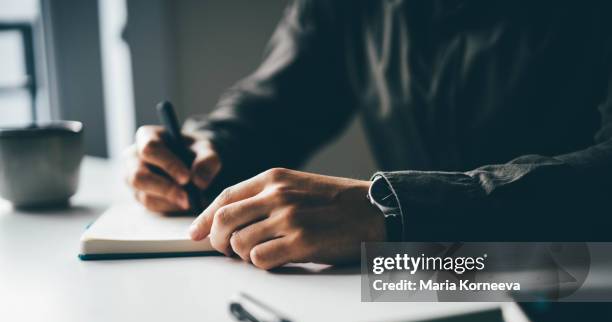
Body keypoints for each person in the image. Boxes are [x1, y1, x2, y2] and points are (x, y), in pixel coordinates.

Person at [125, 0, 612, 270]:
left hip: (580, 278)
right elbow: (277, 104)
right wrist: (206, 147)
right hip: (408, 281)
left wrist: (396, 211)